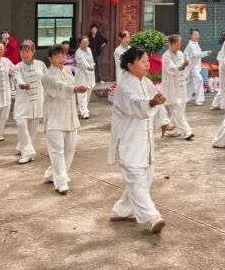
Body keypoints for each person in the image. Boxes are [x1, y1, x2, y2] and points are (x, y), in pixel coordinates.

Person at [108, 46, 168, 234]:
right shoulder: (124, 86)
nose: (147, 64)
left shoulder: (147, 82)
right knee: (136, 181)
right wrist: (151, 102)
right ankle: (153, 217)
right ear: (130, 65)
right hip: (129, 141)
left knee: (145, 180)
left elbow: (158, 104)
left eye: (147, 60)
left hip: (146, 141)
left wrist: (164, 121)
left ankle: (121, 210)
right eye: (142, 60)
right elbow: (134, 104)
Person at [42, 45, 87, 195]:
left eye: (63, 55)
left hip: (70, 117)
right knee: (57, 152)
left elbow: (72, 84)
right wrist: (74, 89)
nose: (61, 58)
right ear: (50, 58)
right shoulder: (47, 76)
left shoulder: (68, 71)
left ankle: (52, 173)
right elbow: (58, 88)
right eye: (57, 56)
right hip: (54, 118)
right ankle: (61, 182)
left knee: (69, 150)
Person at [13, 40, 46, 164]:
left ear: (33, 52)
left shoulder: (40, 65)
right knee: (21, 124)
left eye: (27, 51)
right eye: (22, 51)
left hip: (37, 101)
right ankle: (28, 153)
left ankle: (22, 146)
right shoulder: (17, 67)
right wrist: (22, 84)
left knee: (32, 128)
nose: (24, 54)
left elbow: (48, 79)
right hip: (23, 101)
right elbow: (17, 79)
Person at [162, 34, 194, 140]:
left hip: (181, 85)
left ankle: (173, 131)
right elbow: (171, 69)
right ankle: (187, 131)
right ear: (170, 44)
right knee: (177, 109)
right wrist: (182, 66)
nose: (178, 47)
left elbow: (184, 68)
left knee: (181, 108)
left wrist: (185, 65)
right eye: (176, 45)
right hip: (171, 87)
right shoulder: (166, 56)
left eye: (180, 44)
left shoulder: (180, 53)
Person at [184, 29, 211, 106]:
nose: (197, 36)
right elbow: (196, 55)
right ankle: (199, 100)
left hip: (193, 67)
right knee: (199, 80)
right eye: (195, 35)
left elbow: (196, 56)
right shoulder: (191, 45)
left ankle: (186, 98)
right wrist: (206, 53)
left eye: (198, 34)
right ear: (191, 36)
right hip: (192, 67)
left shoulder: (195, 44)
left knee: (190, 83)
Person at [74, 36, 96, 119]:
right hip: (82, 74)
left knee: (89, 92)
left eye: (87, 42)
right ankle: (84, 112)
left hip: (90, 74)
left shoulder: (89, 49)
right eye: (83, 43)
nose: (85, 44)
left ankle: (82, 109)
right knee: (82, 92)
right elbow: (83, 62)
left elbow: (91, 60)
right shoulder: (78, 52)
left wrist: (92, 66)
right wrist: (88, 67)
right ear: (79, 43)